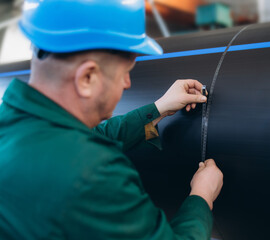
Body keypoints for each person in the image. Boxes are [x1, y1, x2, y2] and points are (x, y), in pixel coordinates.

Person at [0, 0, 223, 239]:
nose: (127, 83)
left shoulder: (13, 124)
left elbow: (92, 136)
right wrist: (201, 197)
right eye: (125, 73)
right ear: (87, 77)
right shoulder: (94, 174)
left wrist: (158, 108)